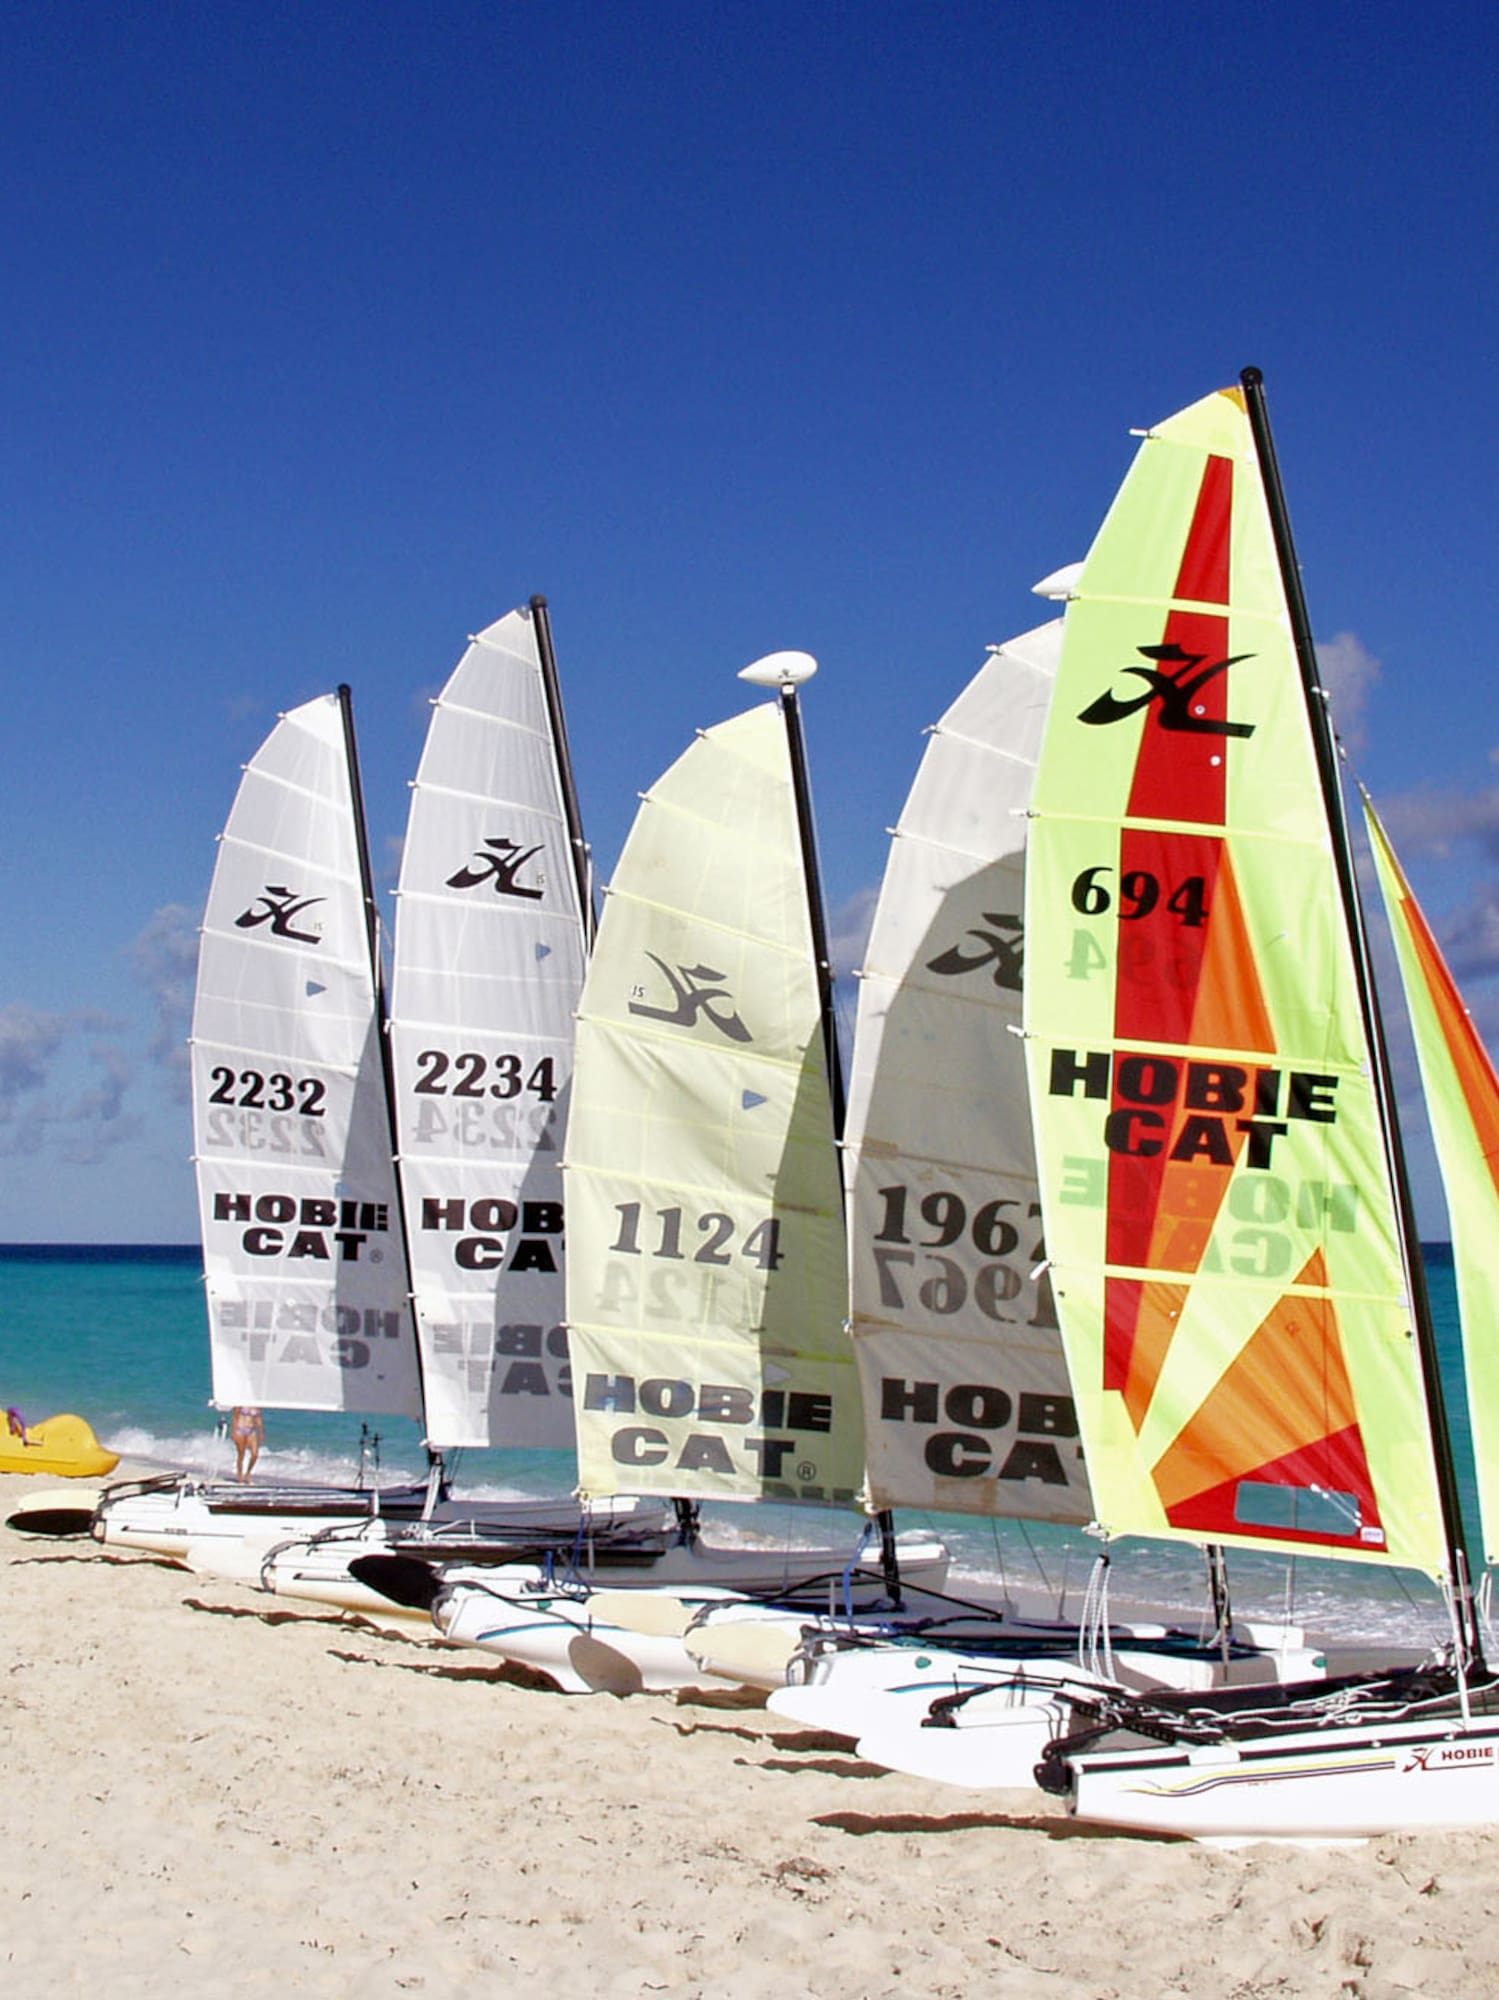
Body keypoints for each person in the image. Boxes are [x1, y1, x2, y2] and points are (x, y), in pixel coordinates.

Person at [230, 1406, 264, 1483]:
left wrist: (261, 1431)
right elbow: (235, 1416)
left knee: (255, 1454)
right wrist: (234, 1431)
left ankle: (248, 1473)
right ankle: (240, 1476)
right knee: (241, 1454)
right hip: (240, 1429)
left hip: (251, 1430)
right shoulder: (241, 1402)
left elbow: (258, 1418)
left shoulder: (257, 1405)